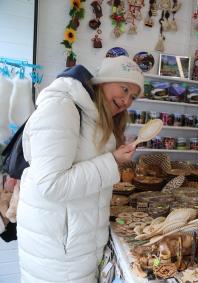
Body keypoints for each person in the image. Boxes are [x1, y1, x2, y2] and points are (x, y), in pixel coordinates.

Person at [17, 56, 144, 282]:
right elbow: (52, 184)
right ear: (104, 81)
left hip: (76, 244)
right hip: (57, 250)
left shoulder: (95, 116)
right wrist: (112, 161)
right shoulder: (62, 107)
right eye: (124, 89)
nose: (126, 100)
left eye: (133, 96)